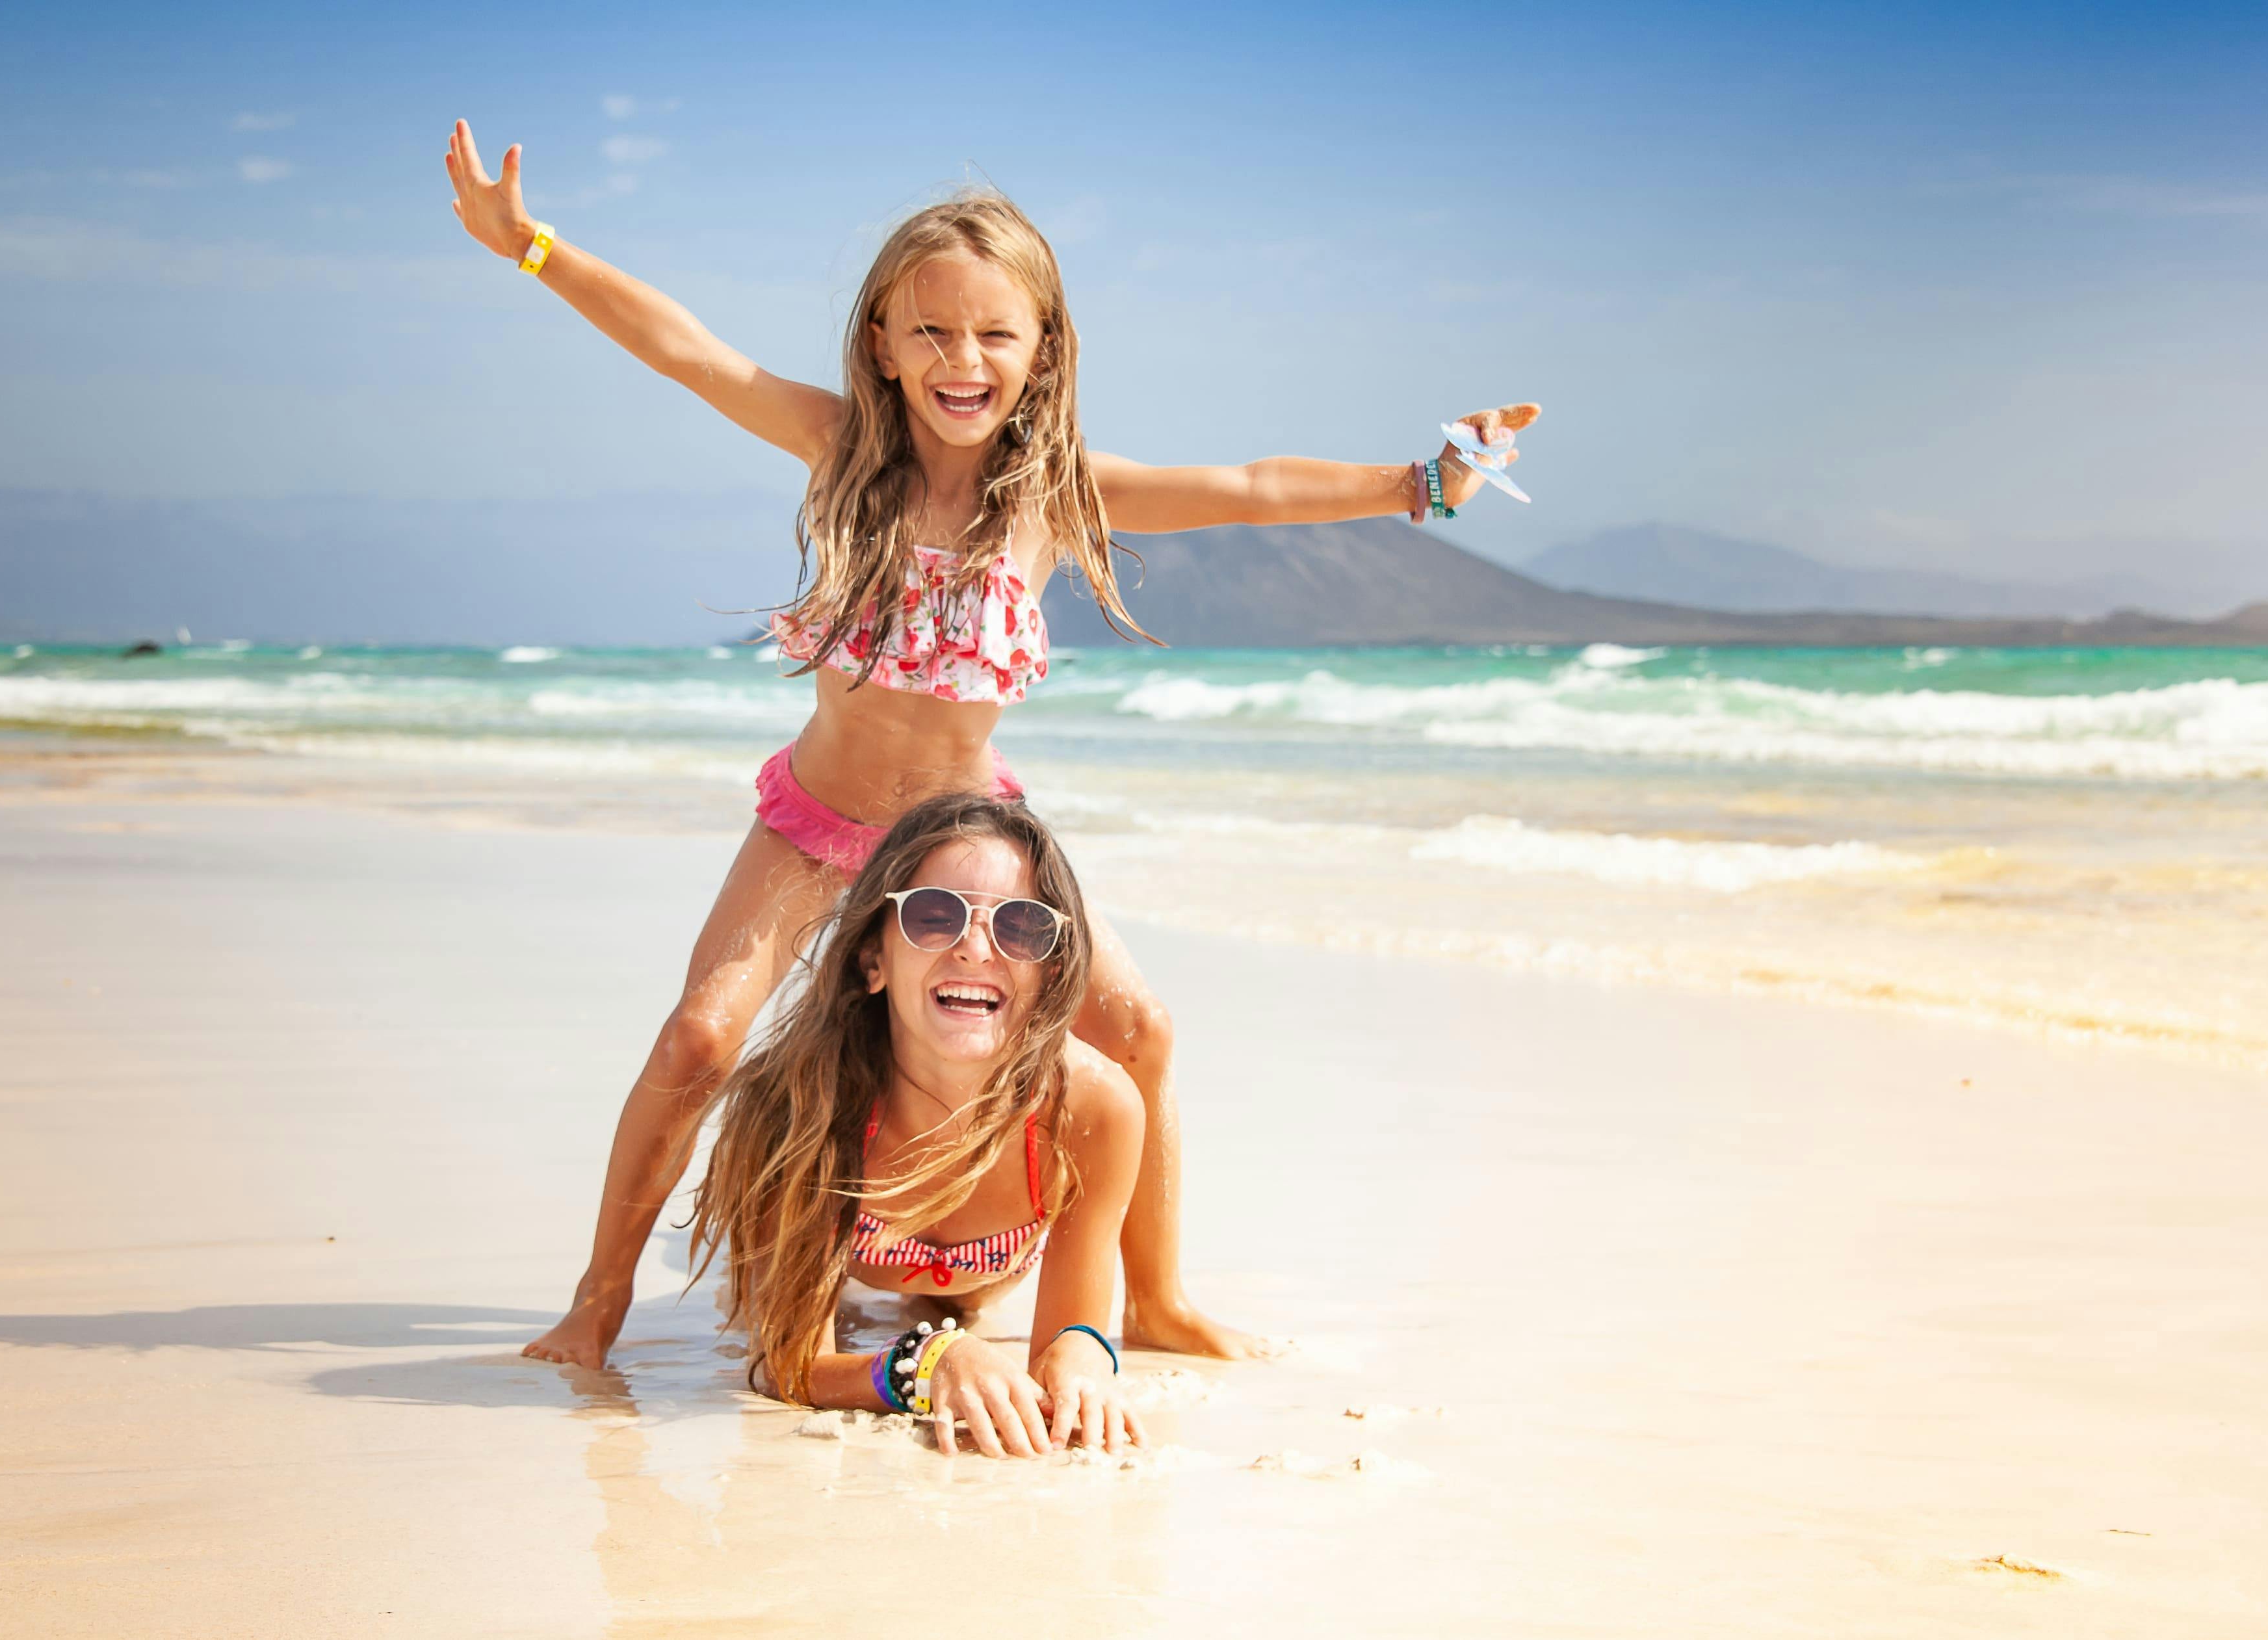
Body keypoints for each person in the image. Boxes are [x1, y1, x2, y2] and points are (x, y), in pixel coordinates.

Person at [440, 118, 1536, 1369]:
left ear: (1043, 350)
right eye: (933, 330)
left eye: (994, 333)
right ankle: (596, 1305)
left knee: (1141, 1029)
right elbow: (687, 352)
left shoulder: (1060, 497)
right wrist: (527, 245)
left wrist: (1423, 482)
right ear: (884, 345)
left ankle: (1156, 1299)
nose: (963, 358)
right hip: (816, 822)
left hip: (964, 848)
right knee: (698, 1037)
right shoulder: (839, 452)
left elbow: (1250, 484)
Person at [688, 790, 1143, 1457]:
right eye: (935, 917)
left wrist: (1084, 1362)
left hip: (983, 1277)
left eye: (1019, 926)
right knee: (814, 1291)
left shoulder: (1092, 1108)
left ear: (1049, 971)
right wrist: (922, 1363)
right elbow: (786, 1363)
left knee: (966, 1312)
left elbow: (1069, 1335)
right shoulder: (800, 1103)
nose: (975, 949)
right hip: (839, 1235)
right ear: (874, 959)